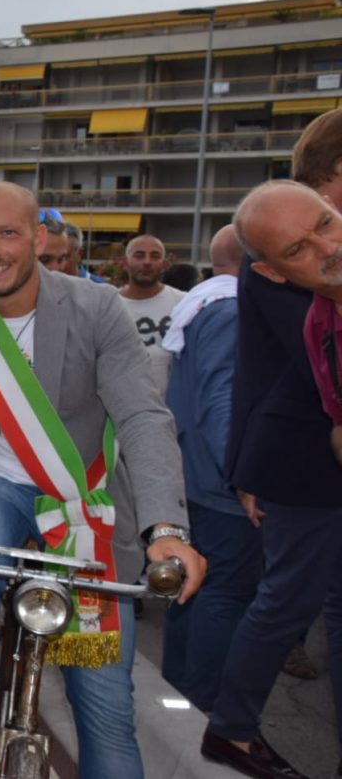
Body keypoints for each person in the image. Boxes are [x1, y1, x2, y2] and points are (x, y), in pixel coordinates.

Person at [0, 182, 203, 778]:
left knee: (105, 711)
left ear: (38, 238)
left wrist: (167, 527)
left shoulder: (95, 307)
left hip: (83, 501)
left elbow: (141, 414)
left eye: (8, 232)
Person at [200, 178, 342, 779]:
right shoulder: (283, 286)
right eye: (299, 249)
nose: (326, 246)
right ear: (275, 271)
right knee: (286, 602)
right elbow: (255, 370)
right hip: (302, 461)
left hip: (297, 449)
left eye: (326, 222)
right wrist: (245, 467)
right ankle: (231, 729)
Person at [159, 225, 251, 714]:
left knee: (192, 586)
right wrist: (243, 477)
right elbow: (222, 400)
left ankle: (179, 696)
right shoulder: (233, 311)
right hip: (221, 483)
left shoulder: (201, 304)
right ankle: (198, 707)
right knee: (223, 592)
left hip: (198, 473)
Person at [118, 234, 184, 399]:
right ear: (125, 262)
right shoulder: (108, 305)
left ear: (164, 263)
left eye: (155, 256)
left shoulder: (183, 303)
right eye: (139, 255)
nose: (147, 262)